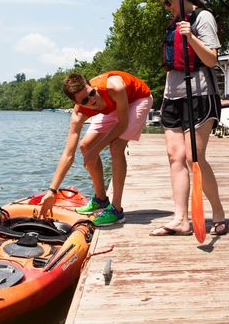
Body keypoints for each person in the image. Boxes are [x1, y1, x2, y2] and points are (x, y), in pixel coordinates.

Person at [150, 0, 227, 237]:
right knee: (175, 156)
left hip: (200, 94)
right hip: (173, 95)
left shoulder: (203, 18)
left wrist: (191, 36)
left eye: (168, 1)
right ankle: (181, 219)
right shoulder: (175, 22)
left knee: (194, 157)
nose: (166, 7)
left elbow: (211, 59)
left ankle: (217, 212)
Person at [39, 71, 152, 226]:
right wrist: (52, 191)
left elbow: (122, 124)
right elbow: (68, 154)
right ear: (77, 103)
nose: (92, 100)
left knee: (116, 146)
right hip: (112, 107)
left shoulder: (114, 87)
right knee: (85, 145)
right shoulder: (79, 114)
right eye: (85, 100)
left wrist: (96, 150)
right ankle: (101, 199)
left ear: (92, 87)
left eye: (92, 93)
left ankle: (116, 211)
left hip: (137, 100)